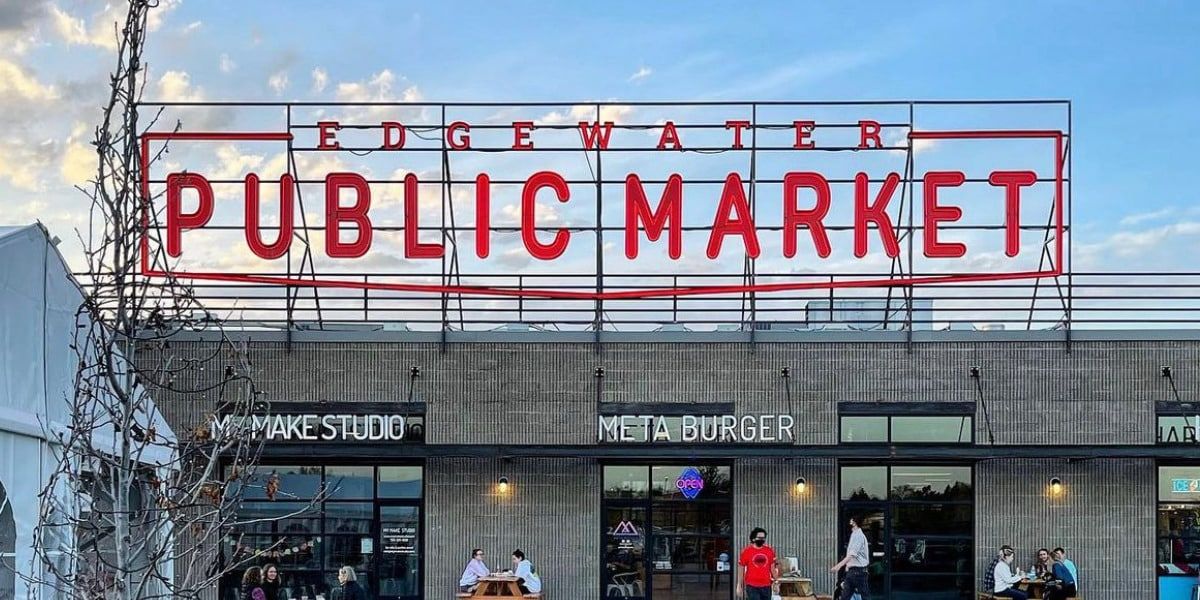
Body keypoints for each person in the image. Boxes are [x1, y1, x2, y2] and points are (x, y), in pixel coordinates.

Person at [830, 516, 870, 600]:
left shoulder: (858, 536)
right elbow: (852, 555)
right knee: (846, 596)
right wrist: (848, 567)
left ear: (855, 523)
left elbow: (852, 554)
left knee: (863, 596)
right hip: (853, 572)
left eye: (851, 521)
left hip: (859, 572)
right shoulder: (854, 535)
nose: (849, 523)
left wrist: (838, 566)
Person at [735, 527, 777, 600]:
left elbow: (773, 568)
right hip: (752, 586)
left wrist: (776, 582)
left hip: (766, 585)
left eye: (763, 538)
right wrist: (739, 585)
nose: (762, 540)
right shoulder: (746, 551)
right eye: (759, 538)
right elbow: (741, 568)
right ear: (753, 539)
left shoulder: (769, 551)